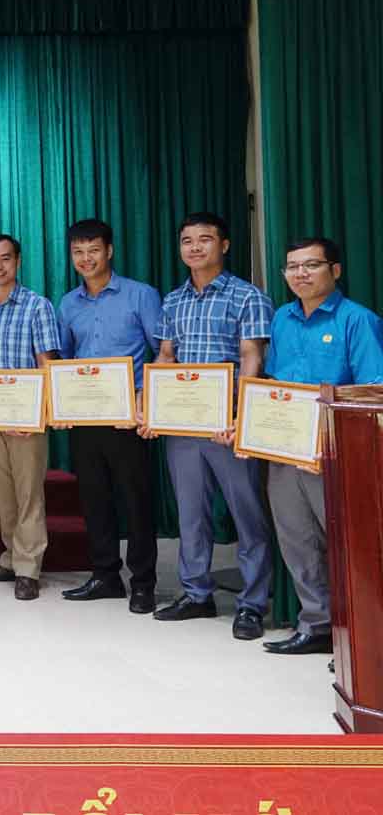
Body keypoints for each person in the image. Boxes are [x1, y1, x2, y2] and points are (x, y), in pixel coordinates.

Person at [144, 211, 275, 640]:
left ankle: (252, 603)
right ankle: (196, 593)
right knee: (191, 515)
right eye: (187, 241)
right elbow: (166, 357)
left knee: (247, 514)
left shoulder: (247, 296)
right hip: (183, 425)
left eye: (205, 239)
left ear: (224, 245)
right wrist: (152, 405)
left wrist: (241, 417)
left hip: (229, 426)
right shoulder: (173, 300)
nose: (195, 247)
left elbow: (251, 359)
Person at [260, 237, 383, 655]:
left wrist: (326, 436)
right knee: (296, 539)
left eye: (311, 265)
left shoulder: (357, 320)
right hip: (285, 450)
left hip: (335, 453)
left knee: (346, 546)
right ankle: (316, 626)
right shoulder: (282, 318)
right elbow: (274, 382)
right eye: (292, 267)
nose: (301, 274)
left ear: (335, 270)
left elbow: (371, 389)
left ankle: (358, 641)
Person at [54, 219, 163, 614]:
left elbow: (162, 354)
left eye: (93, 250)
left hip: (127, 418)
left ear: (109, 251)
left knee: (135, 499)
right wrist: (61, 403)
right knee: (94, 497)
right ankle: (105, 575)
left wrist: (142, 399)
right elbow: (65, 360)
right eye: (78, 252)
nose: (86, 259)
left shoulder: (141, 296)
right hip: (85, 417)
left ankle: (144, 582)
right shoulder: (68, 303)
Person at [0, 233, 61, 602]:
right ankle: (10, 557)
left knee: (29, 493)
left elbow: (46, 364)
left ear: (18, 261)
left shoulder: (38, 306)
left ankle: (28, 568)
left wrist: (38, 413)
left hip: (25, 419)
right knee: (2, 495)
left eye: (5, 258)